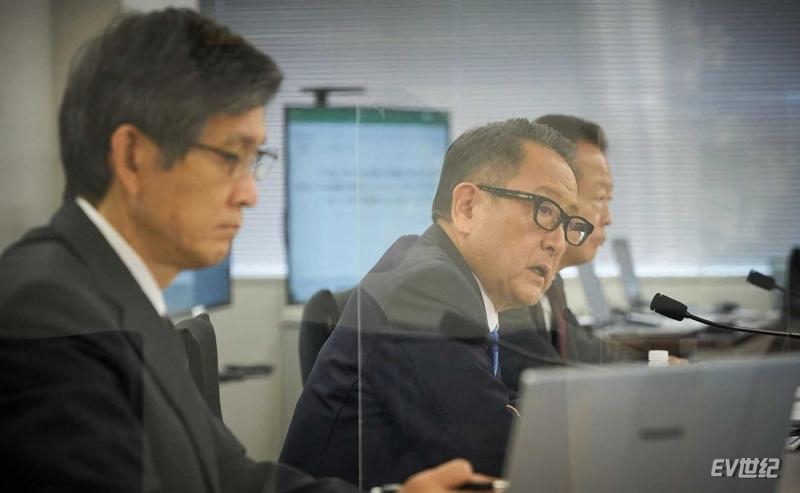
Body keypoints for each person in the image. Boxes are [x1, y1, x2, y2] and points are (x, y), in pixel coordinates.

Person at [0, 8, 486, 493]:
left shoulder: (116, 293)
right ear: (133, 157)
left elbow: (229, 477)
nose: (251, 193)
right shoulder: (47, 309)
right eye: (232, 157)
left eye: (256, 161)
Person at [280, 119, 591, 488]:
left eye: (568, 222)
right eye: (545, 211)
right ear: (467, 207)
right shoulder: (424, 289)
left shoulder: (449, 278)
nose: (558, 242)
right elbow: (502, 451)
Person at [498, 114, 638, 392]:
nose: (608, 218)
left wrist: (655, 366)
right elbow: (543, 377)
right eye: (600, 197)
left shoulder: (551, 282)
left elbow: (584, 350)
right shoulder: (508, 283)